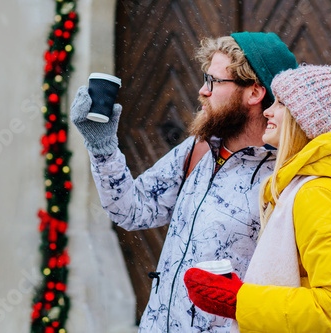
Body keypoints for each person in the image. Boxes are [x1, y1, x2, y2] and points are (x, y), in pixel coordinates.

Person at [71, 32, 297, 332]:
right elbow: (130, 210)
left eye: (214, 81)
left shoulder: (286, 178)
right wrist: (102, 148)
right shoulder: (198, 149)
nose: (203, 90)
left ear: (254, 93)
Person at [184, 64, 331, 332]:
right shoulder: (328, 183)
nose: (267, 111)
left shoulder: (316, 194)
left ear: (308, 118)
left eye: (282, 103)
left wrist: (238, 300)